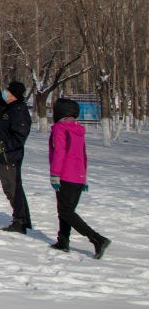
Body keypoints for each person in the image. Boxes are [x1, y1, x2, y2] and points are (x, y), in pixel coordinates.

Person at [49, 97, 111, 259]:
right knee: (65, 210)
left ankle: (97, 239)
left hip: (65, 175)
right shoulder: (77, 129)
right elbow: (83, 155)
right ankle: (63, 241)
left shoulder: (60, 128)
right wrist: (84, 177)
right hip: (78, 176)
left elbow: (59, 152)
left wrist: (55, 174)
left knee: (66, 211)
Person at [0, 65, 32, 233]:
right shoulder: (7, 105)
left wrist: (2, 146)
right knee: (13, 187)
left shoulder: (19, 111)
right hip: (4, 156)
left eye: (8, 92)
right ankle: (24, 219)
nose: (5, 93)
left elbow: (19, 137)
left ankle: (20, 221)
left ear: (14, 96)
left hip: (10, 156)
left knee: (12, 188)